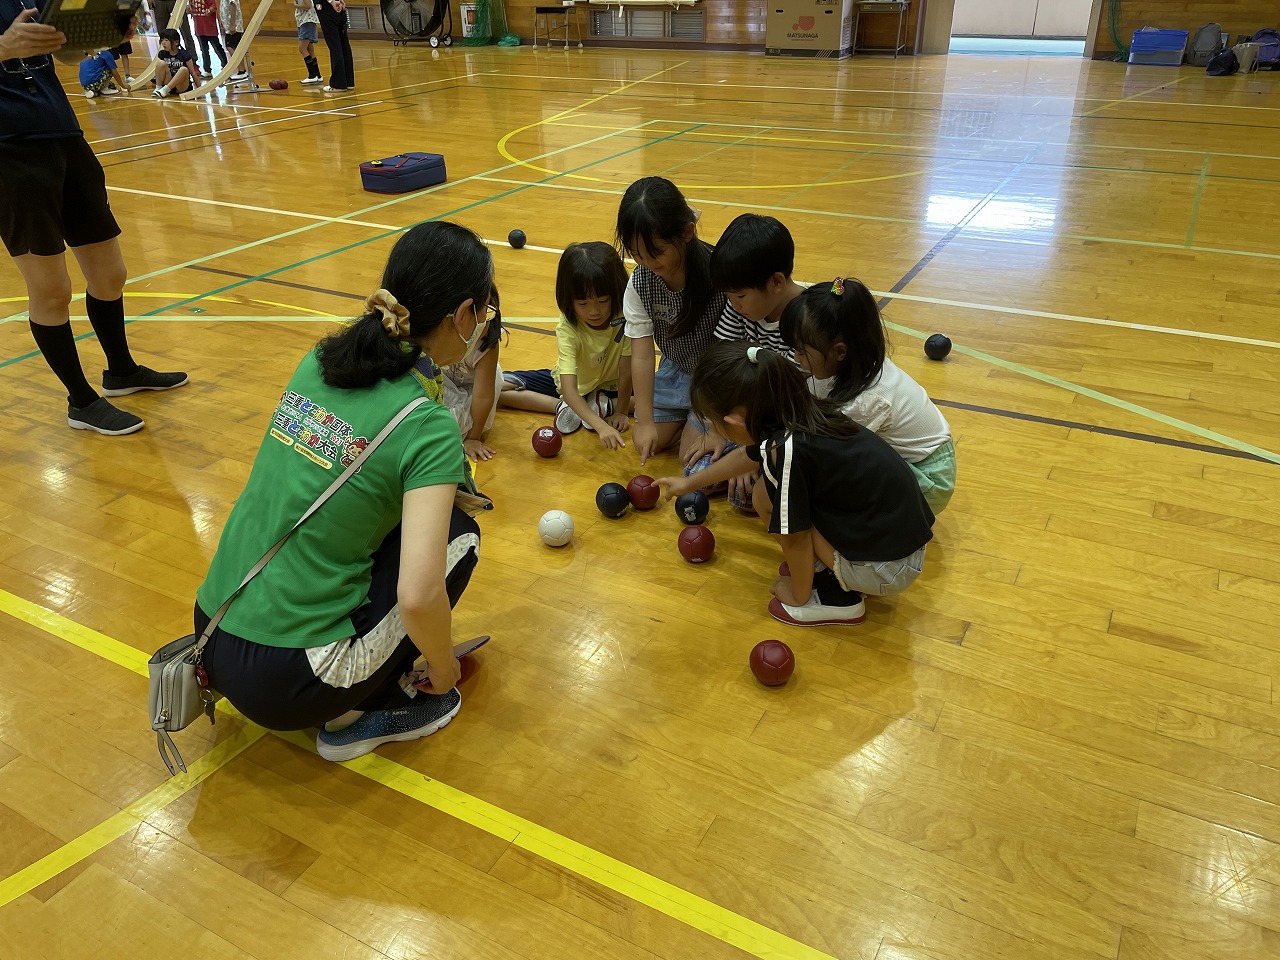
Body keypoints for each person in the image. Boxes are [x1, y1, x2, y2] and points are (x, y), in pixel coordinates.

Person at [194, 220, 496, 761]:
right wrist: (445, 664)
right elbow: (419, 594)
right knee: (459, 536)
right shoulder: (428, 428)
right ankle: (357, 714)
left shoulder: (321, 362)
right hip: (290, 681)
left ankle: (349, 680)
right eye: (483, 314)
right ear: (464, 315)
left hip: (211, 632)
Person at [1, 0, 187, 436]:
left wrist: (105, 29)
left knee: (110, 274)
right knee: (51, 290)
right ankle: (80, 400)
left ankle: (121, 371)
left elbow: (61, 52)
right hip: (9, 150)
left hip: (63, 134)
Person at [659, 341, 934, 627]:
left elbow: (796, 537)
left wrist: (797, 593)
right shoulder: (796, 413)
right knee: (764, 496)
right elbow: (747, 456)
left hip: (886, 569)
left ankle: (836, 598)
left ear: (734, 421)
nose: (713, 429)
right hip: (899, 549)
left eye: (712, 423)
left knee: (783, 511)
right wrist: (688, 483)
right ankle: (829, 569)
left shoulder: (789, 451)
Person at [782, 278, 956, 514]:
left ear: (839, 352)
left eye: (801, 351)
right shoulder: (855, 365)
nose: (795, 358)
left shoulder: (867, 401)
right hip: (911, 460)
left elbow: (830, 455)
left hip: (928, 479)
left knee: (826, 489)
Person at [617, 177, 726, 465]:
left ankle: (697, 416)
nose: (648, 264)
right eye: (636, 255)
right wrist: (644, 422)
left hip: (718, 380)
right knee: (651, 441)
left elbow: (735, 354)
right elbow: (641, 356)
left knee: (689, 461)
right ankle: (686, 415)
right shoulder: (640, 282)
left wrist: (717, 426)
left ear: (687, 232)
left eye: (657, 253)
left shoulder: (719, 275)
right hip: (677, 367)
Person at [501, 242, 634, 449]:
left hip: (613, 385)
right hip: (574, 388)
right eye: (583, 304)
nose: (594, 311)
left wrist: (621, 412)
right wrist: (601, 425)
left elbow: (627, 371)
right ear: (568, 299)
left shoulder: (625, 316)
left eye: (602, 300)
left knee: (659, 397)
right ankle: (563, 407)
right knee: (498, 390)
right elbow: (570, 390)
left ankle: (605, 405)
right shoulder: (568, 328)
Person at [710, 214, 803, 359]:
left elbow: (790, 379)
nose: (734, 305)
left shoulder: (807, 320)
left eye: (741, 296)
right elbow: (725, 356)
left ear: (776, 282)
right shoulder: (740, 305)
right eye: (728, 296)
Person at [435, 288, 503, 462]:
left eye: (488, 313)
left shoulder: (486, 345)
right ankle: (509, 386)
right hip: (446, 381)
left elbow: (483, 397)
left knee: (448, 430)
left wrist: (474, 438)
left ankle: (505, 384)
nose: (484, 320)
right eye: (481, 313)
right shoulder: (441, 329)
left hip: (474, 390)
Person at [315, 0, 353, 93]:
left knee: (335, 46)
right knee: (344, 46)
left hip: (327, 8)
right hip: (338, 8)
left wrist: (331, 1)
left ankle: (338, 84)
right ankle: (348, 82)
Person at [152, 28, 199, 97]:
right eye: (162, 40)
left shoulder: (184, 54)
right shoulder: (162, 54)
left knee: (184, 69)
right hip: (168, 84)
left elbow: (193, 72)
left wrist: (199, 89)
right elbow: (160, 70)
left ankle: (164, 90)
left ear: (176, 42)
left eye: (166, 40)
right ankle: (158, 88)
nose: (163, 43)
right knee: (160, 63)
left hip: (181, 86)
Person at [187, 0, 227, 79]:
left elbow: (214, 6)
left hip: (210, 28)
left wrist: (209, 10)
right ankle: (207, 70)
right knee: (204, 50)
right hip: (199, 29)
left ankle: (225, 65)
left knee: (217, 47)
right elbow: (190, 9)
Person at [150, 0, 198, 66]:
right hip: (159, 2)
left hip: (177, 1)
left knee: (186, 32)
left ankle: (193, 62)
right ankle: (167, 62)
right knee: (162, 34)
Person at [294, 0, 323, 84]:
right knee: (310, 50)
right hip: (304, 21)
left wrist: (296, 5)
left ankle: (312, 75)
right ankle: (318, 75)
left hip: (307, 21)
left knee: (302, 48)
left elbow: (308, 6)